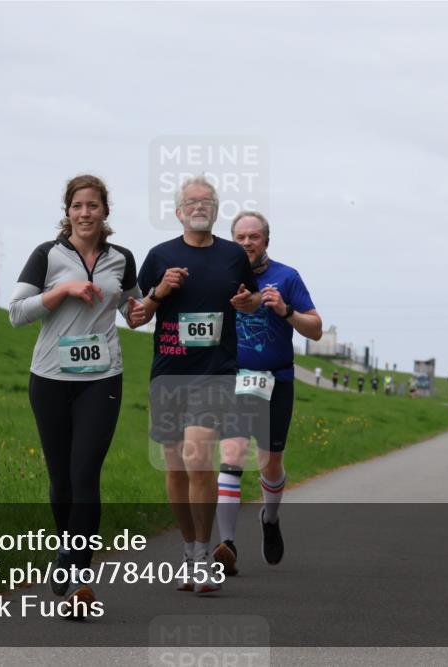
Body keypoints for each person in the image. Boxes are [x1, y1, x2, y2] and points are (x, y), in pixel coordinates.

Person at [9, 174, 144, 617]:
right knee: (61, 479)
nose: (85, 213)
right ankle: (66, 547)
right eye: (77, 206)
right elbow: (16, 313)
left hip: (102, 378)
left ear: (106, 212)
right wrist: (62, 290)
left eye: (93, 205)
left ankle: (82, 575)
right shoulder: (47, 255)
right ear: (67, 212)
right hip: (49, 378)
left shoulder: (122, 259)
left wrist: (154, 301)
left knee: (86, 474)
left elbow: (133, 312)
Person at [133, 176, 260, 595]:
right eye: (191, 201)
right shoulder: (158, 256)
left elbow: (252, 298)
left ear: (216, 209)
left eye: (207, 201)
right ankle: (188, 552)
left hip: (215, 372)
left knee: (197, 456)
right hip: (169, 371)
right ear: (178, 211)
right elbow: (136, 317)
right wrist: (158, 291)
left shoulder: (232, 256)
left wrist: (248, 303)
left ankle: (204, 555)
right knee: (175, 469)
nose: (199, 206)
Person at [213, 211, 322, 575]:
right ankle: (226, 545)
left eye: (253, 237)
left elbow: (316, 329)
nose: (246, 243)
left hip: (277, 379)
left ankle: (270, 518)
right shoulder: (221, 275)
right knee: (231, 454)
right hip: (234, 378)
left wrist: (286, 310)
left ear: (266, 241)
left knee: (270, 461)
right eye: (240, 237)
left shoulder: (287, 277)